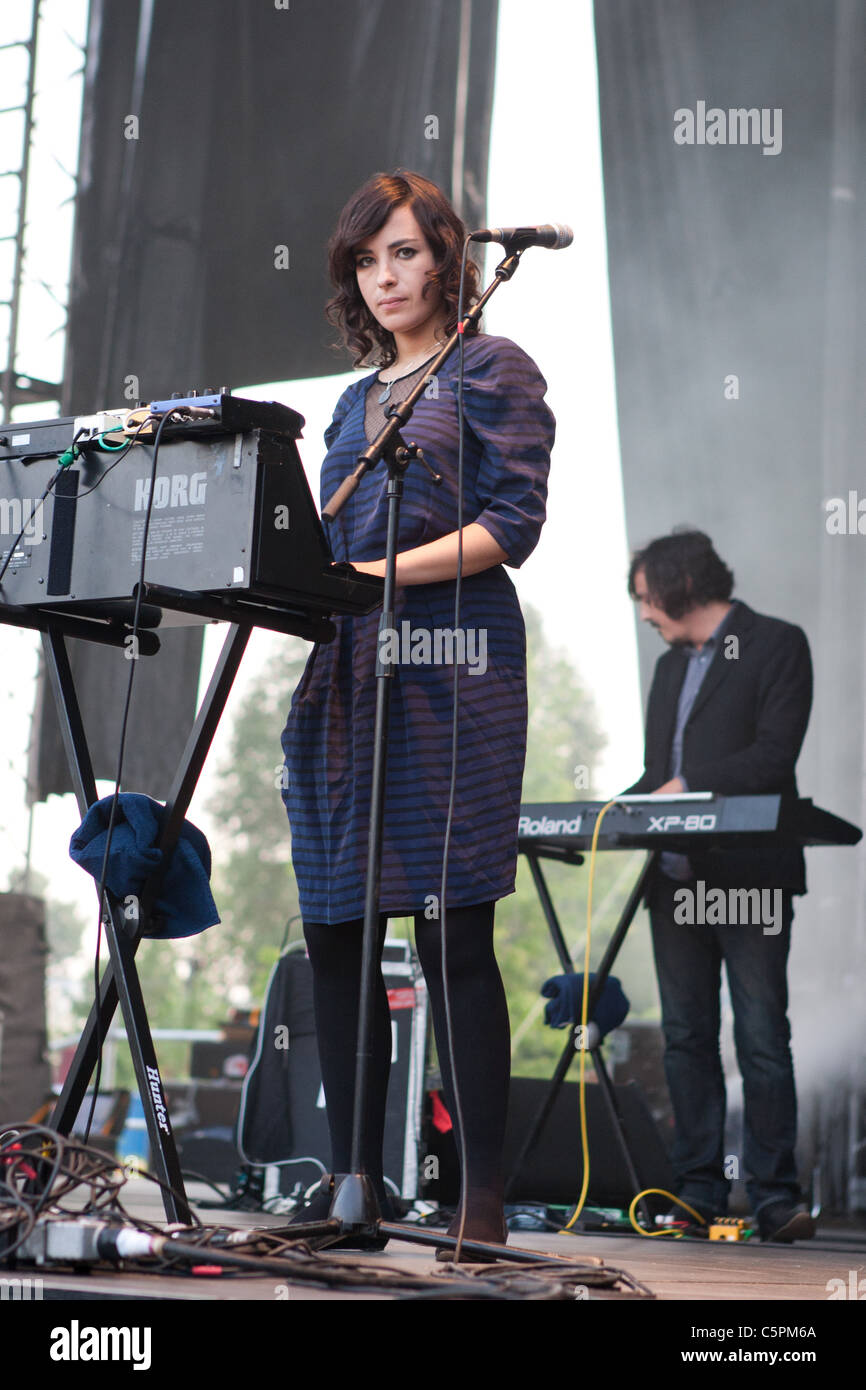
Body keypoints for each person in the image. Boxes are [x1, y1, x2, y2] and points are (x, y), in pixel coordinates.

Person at [279, 170, 555, 1255]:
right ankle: (357, 1186)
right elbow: (322, 542)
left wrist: (384, 570)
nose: (384, 275)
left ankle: (477, 1200)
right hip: (347, 665)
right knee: (337, 932)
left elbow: (512, 520)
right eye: (366, 258)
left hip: (453, 660)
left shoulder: (490, 365)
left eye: (403, 252)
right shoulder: (353, 401)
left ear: (447, 257)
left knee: (451, 934)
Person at [626, 529, 816, 1242]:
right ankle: (697, 1189)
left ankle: (774, 1196)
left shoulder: (776, 644)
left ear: (679, 587)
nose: (644, 612)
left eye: (647, 597)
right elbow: (656, 776)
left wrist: (684, 786)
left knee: (762, 1035)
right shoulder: (670, 668)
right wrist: (616, 811)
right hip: (675, 880)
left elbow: (773, 755)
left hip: (750, 877)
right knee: (685, 1037)